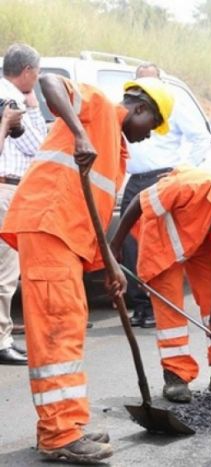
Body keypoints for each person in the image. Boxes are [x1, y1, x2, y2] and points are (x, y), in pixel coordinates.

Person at [0, 73, 173, 463]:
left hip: (66, 238)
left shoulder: (118, 151)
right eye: (152, 125)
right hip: (47, 226)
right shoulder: (99, 108)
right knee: (57, 331)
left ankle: (69, 424)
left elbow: (92, 212)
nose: (150, 135)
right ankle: (58, 434)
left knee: (70, 328)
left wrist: (110, 264)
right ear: (140, 108)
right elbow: (48, 83)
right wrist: (79, 133)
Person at [110, 164, 211, 403]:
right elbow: (139, 201)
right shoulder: (188, 186)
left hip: (202, 245)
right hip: (163, 244)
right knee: (170, 307)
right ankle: (176, 376)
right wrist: (115, 246)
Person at [121, 63, 211, 328]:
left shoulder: (174, 102)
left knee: (155, 246)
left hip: (161, 178)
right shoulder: (129, 107)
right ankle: (140, 306)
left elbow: (200, 138)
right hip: (134, 180)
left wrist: (180, 172)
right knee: (130, 246)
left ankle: (155, 306)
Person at [0, 43, 46, 366]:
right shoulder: (13, 99)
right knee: (6, 271)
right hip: (7, 190)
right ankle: (2, 340)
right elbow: (36, 144)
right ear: (27, 72)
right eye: (38, 73)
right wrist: (32, 106)